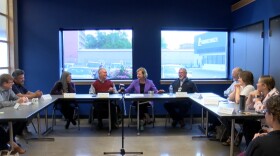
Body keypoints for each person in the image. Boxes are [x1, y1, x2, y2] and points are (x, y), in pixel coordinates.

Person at [242, 75, 279, 146]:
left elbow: (261, 110)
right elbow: (249, 107)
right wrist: (250, 95)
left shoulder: (274, 95)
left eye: (258, 83)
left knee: (249, 124)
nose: (256, 84)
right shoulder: (262, 93)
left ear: (264, 86)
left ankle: (251, 147)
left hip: (272, 126)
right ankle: (250, 147)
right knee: (248, 123)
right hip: (263, 122)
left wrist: (257, 98)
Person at [222, 71, 255, 146]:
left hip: (246, 115)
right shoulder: (242, 87)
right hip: (240, 112)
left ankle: (234, 136)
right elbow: (230, 98)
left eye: (240, 78)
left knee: (226, 118)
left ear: (244, 79)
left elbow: (238, 100)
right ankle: (234, 134)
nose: (238, 79)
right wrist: (235, 89)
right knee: (223, 117)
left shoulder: (249, 87)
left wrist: (237, 90)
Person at [0, 74, 27, 154]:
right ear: (4, 83)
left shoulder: (9, 89)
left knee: (20, 121)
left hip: (5, 113)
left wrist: (22, 99)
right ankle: (12, 144)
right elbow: (1, 103)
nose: (12, 84)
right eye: (10, 82)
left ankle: (9, 142)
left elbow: (15, 98)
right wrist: (16, 102)